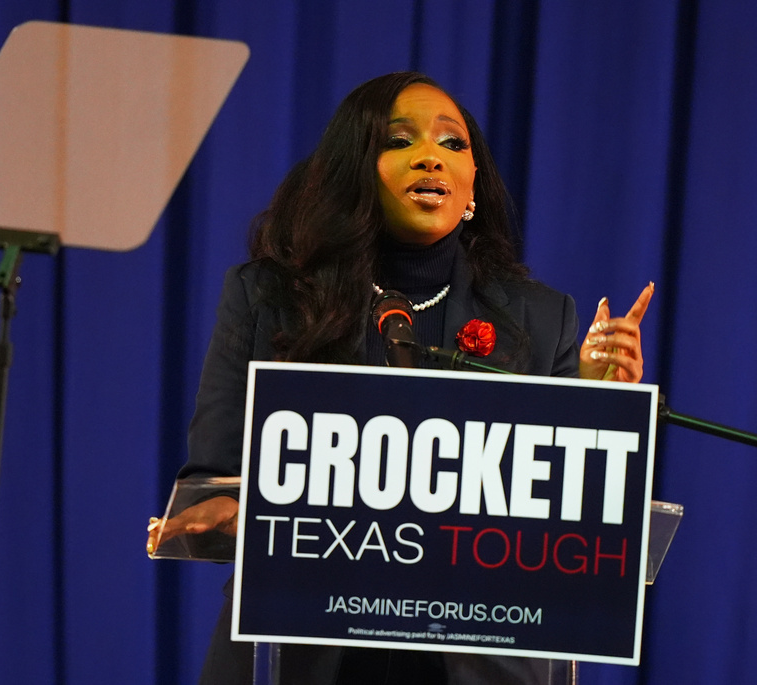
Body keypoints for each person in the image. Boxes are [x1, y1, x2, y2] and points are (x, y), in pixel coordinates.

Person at [147, 71, 653, 685]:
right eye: (398, 140)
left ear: (472, 188)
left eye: (452, 143)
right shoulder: (270, 300)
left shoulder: (542, 319)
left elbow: (566, 530)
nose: (429, 158)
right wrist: (225, 506)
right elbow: (214, 471)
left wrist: (599, 406)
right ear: (356, 172)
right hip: (305, 648)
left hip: (476, 658)